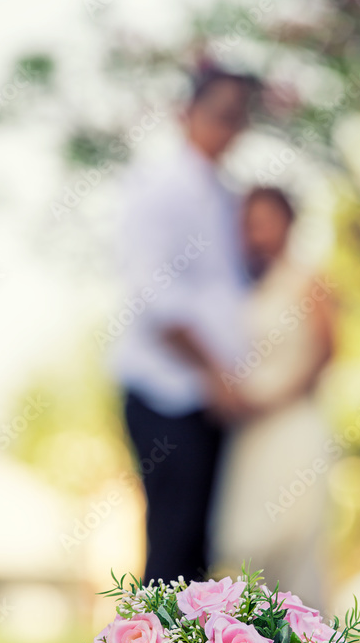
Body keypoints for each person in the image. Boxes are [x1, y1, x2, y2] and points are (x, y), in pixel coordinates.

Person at [108, 66, 259, 584]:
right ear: (186, 115)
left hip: (209, 402)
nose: (230, 129)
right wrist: (215, 372)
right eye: (221, 116)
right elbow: (156, 300)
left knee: (198, 549)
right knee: (172, 543)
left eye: (239, 118)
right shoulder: (160, 187)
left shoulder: (226, 196)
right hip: (165, 391)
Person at [210, 186, 336, 606]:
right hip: (250, 432)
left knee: (293, 535)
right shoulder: (243, 287)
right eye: (248, 223)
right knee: (245, 539)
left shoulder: (308, 280)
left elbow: (326, 351)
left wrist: (273, 399)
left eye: (264, 221)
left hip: (292, 423)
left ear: (288, 223)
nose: (255, 232)